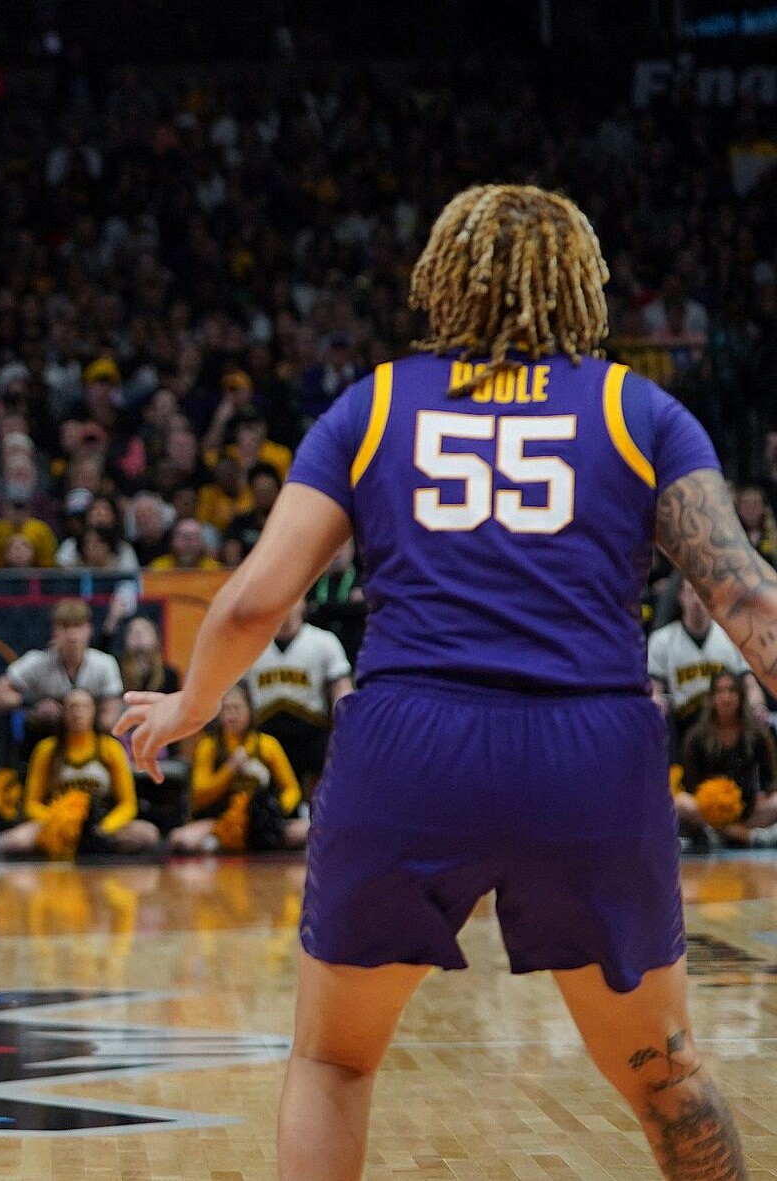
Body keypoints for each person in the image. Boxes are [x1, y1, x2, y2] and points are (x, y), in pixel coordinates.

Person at [118, 183, 763, 1181]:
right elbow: (747, 599)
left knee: (333, 1061)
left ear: (443, 281)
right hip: (587, 753)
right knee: (665, 1075)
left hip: (411, 745)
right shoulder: (640, 409)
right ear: (579, 284)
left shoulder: (374, 403)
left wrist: (188, 704)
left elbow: (251, 603)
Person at [0, 688, 156, 856]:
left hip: (101, 823)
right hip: (56, 825)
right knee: (11, 842)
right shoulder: (47, 749)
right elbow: (31, 804)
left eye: (84, 707)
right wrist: (59, 821)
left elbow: (128, 804)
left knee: (147, 834)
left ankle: (97, 849)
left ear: (94, 712)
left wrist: (104, 827)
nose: (78, 713)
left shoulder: (110, 748)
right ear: (63, 713)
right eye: (72, 707)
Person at [166, 684, 304, 854]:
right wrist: (230, 768)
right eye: (226, 709)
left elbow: (292, 789)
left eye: (237, 708)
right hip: (219, 819)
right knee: (181, 840)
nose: (231, 715)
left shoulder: (267, 745)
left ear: (250, 710)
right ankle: (220, 842)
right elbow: (199, 795)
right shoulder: (208, 746)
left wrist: (277, 809)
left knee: (308, 831)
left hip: (261, 821)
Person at [244, 603, 354, 791]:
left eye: (293, 599)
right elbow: (235, 694)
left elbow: (342, 690)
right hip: (265, 736)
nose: (286, 606)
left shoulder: (323, 641)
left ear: (302, 602)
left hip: (311, 736)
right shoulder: (250, 643)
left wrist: (346, 728)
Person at [673, 673, 777, 847]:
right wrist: (714, 799)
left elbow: (769, 779)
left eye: (732, 691)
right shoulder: (696, 736)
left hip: (747, 809)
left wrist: (763, 794)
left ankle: (722, 835)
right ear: (712, 698)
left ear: (741, 696)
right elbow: (690, 784)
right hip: (709, 811)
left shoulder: (756, 734)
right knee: (680, 803)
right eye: (720, 691)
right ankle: (745, 836)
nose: (726, 697)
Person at [0, 599, 125, 732]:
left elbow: (110, 719)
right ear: (54, 631)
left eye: (78, 626)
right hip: (46, 736)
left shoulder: (105, 664)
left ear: (90, 630)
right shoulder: (37, 662)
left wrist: (79, 713)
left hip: (92, 737)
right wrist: (32, 703)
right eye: (65, 627)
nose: (72, 635)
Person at [646, 581, 753, 726]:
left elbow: (750, 684)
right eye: (691, 592)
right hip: (683, 724)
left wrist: (758, 707)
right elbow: (654, 689)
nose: (697, 599)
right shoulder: (661, 640)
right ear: (681, 596)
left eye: (702, 592)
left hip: (726, 722)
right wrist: (657, 704)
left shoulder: (732, 635)